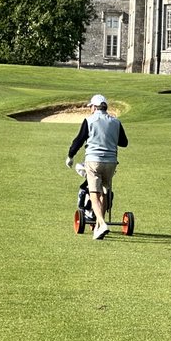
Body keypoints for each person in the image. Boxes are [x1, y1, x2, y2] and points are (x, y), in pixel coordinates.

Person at [66, 93, 128, 240]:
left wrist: (70, 156)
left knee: (94, 193)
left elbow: (79, 141)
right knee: (105, 191)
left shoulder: (89, 120)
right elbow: (124, 142)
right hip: (111, 162)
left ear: (94, 107)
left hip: (93, 161)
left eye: (91, 107)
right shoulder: (116, 122)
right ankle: (99, 227)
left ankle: (101, 223)